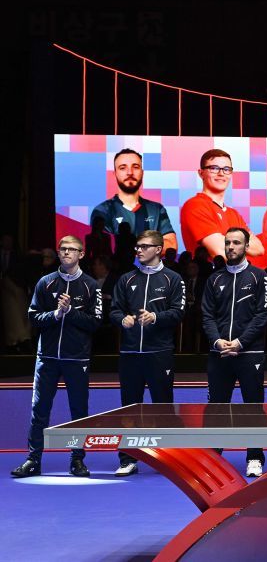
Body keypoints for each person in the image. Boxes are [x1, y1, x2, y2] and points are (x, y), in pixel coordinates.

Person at [11, 236, 102, 478]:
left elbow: (95, 323)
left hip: (77, 358)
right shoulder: (46, 282)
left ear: (81, 254)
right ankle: (33, 459)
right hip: (47, 357)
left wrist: (69, 312)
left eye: (72, 249)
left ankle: (77, 460)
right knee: (39, 409)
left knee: (78, 411)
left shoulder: (91, 285)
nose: (66, 253)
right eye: (62, 249)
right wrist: (56, 314)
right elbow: (33, 317)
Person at [109, 230, 185, 477]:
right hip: (130, 352)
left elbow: (179, 312)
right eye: (137, 246)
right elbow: (114, 310)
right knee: (129, 408)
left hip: (159, 352)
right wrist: (122, 320)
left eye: (144, 246)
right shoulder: (126, 279)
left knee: (162, 406)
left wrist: (156, 317)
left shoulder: (173, 279)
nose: (138, 250)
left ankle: (168, 457)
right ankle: (128, 458)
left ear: (158, 249)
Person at [201, 227, 267, 477]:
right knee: (217, 408)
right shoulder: (214, 279)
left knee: (253, 407)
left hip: (249, 353)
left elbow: (263, 314)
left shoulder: (259, 276)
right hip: (219, 353)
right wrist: (217, 341)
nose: (231, 247)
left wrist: (241, 342)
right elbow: (207, 315)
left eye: (236, 243)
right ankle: (213, 459)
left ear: (246, 246)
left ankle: (254, 457)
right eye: (228, 243)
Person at [180, 149, 264, 259]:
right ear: (201, 173)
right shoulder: (195, 205)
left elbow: (259, 248)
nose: (221, 174)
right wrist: (241, 242)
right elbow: (221, 252)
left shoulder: (234, 214)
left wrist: (225, 240)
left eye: (226, 169)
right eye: (214, 168)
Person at [91, 148, 178, 252]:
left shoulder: (157, 209)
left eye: (135, 167)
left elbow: (171, 245)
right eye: (123, 168)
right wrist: (152, 246)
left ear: (142, 172)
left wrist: (130, 247)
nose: (130, 172)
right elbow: (106, 249)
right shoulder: (103, 211)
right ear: (115, 174)